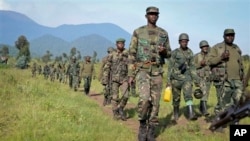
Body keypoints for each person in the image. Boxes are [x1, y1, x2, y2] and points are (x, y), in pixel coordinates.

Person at [128, 6, 171, 141]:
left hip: (157, 72)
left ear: (158, 16)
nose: (153, 16)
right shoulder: (138, 32)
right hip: (142, 71)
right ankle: (142, 126)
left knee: (156, 102)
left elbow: (169, 53)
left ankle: (151, 129)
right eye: (150, 14)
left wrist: (164, 52)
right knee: (144, 99)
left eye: (155, 14)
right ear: (146, 16)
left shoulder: (163, 33)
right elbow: (132, 53)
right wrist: (130, 74)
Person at [207, 29, 244, 116]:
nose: (230, 37)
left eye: (232, 35)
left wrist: (243, 77)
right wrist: (221, 57)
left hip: (237, 80)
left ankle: (233, 120)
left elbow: (241, 64)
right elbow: (210, 61)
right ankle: (218, 122)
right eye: (228, 35)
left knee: (238, 102)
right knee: (223, 103)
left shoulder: (237, 48)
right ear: (223, 36)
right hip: (223, 80)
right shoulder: (217, 47)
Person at [166, 33, 201, 122]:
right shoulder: (175, 52)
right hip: (176, 79)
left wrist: (196, 79)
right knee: (176, 98)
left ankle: (190, 113)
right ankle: (176, 113)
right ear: (179, 42)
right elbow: (170, 66)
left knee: (188, 95)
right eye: (183, 41)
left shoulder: (190, 52)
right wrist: (168, 80)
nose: (184, 43)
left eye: (186, 41)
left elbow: (192, 67)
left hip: (187, 78)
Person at [103, 38, 129, 121]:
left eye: (122, 44)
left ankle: (120, 108)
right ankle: (115, 113)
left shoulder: (127, 54)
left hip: (124, 79)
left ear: (124, 45)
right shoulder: (112, 55)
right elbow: (107, 67)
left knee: (126, 96)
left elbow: (131, 66)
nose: (121, 45)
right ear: (116, 44)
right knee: (115, 97)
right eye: (119, 43)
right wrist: (105, 79)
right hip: (114, 79)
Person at [194, 40, 212, 116]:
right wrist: (200, 64)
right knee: (204, 91)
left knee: (206, 93)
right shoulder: (197, 56)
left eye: (206, 46)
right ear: (201, 47)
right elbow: (192, 67)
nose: (205, 48)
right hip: (200, 77)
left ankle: (201, 107)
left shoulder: (210, 56)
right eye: (203, 46)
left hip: (208, 77)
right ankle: (204, 110)